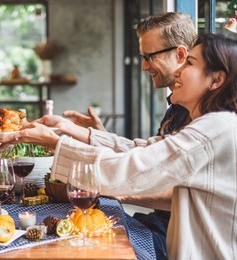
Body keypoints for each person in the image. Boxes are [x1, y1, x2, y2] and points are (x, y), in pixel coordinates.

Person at [4, 33, 237, 259]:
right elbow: (142, 150)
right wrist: (71, 130)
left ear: (216, 80)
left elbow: (136, 166)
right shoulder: (213, 125)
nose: (178, 69)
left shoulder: (215, 129)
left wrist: (56, 143)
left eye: (189, 63)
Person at [62, 12, 196, 259]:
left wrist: (108, 184)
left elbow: (169, 183)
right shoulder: (177, 108)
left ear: (180, 54)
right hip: (159, 225)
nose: (144, 66)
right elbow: (148, 154)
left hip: (176, 238)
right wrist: (96, 135)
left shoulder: (205, 116)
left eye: (149, 57)